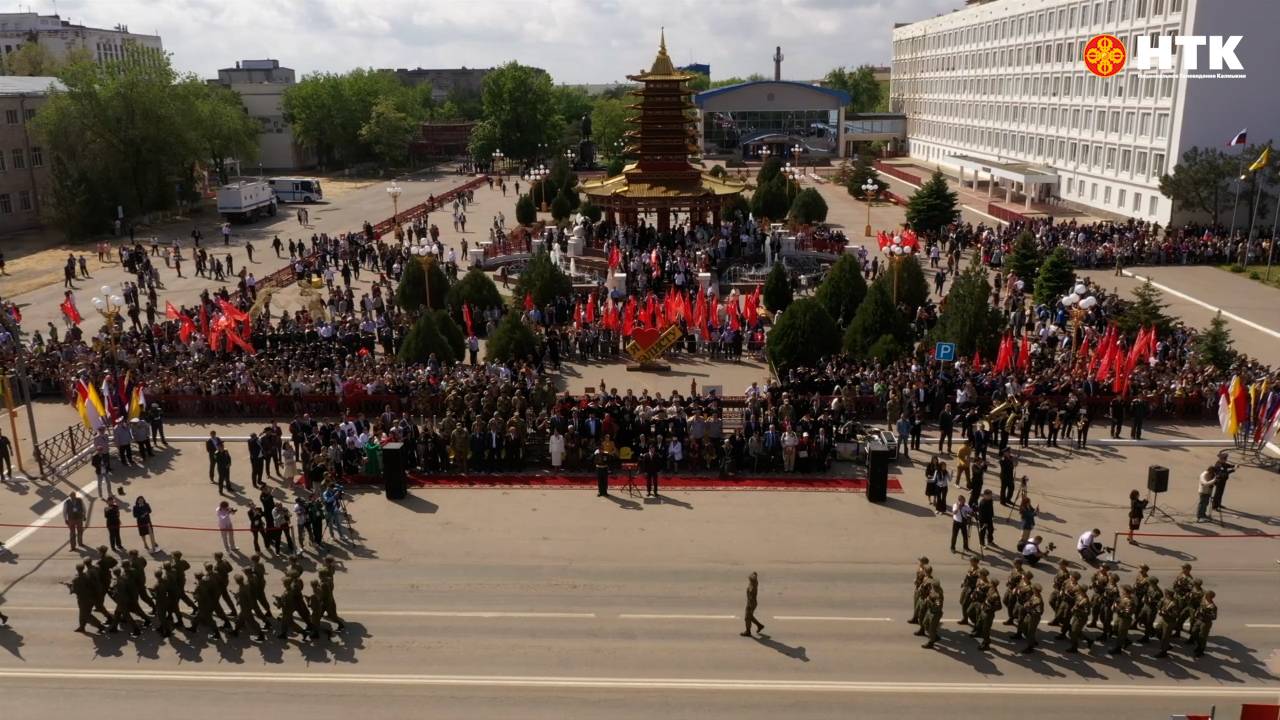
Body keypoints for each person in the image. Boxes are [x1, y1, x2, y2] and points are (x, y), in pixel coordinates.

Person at [741, 572, 765, 637]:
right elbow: (755, 573)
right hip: (751, 602)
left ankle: (748, 632)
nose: (749, 579)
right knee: (749, 616)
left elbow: (751, 596)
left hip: (751, 603)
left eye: (750, 579)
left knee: (747, 618)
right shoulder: (753, 583)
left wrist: (749, 605)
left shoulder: (753, 586)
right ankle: (759, 626)